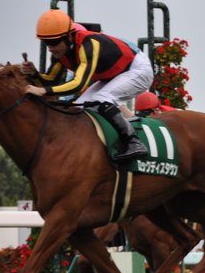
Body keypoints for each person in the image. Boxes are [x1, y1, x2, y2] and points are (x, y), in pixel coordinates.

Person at [21, 9, 153, 161]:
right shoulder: (60, 52)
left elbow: (78, 84)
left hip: (137, 69)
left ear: (68, 36)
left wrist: (43, 91)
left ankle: (134, 142)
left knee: (102, 98)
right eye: (46, 43)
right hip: (113, 75)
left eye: (54, 42)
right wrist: (34, 74)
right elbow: (50, 81)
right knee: (80, 107)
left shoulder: (88, 44)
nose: (50, 48)